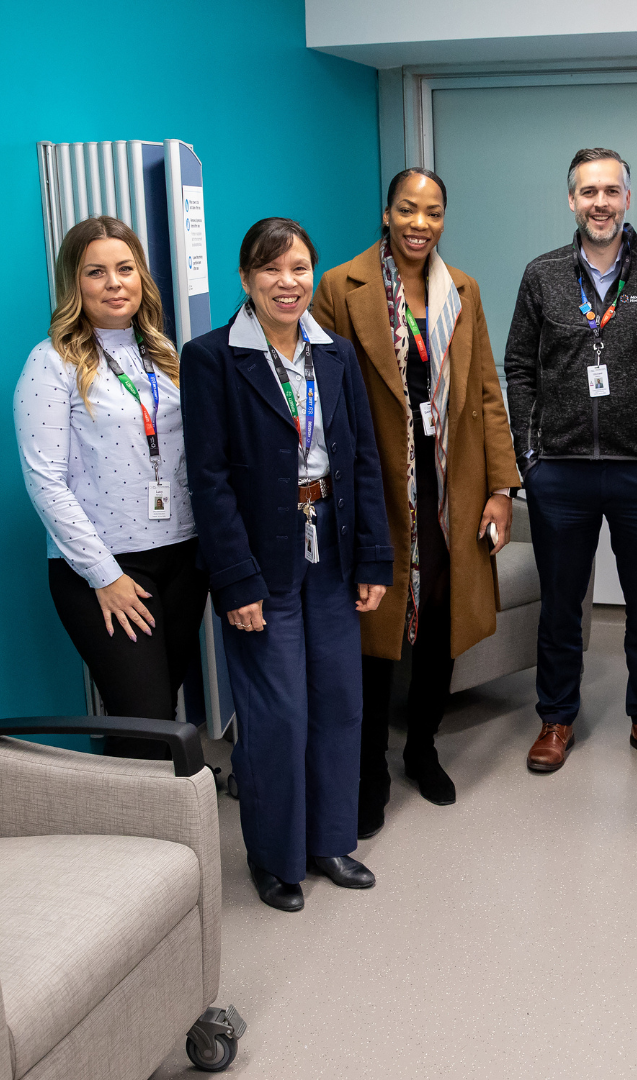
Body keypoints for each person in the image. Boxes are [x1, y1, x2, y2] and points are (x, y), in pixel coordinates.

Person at [183, 218, 392, 912]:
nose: (287, 282)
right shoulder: (212, 357)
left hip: (330, 547)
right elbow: (208, 480)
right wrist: (234, 578)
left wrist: (373, 556)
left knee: (338, 702)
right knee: (277, 714)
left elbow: (361, 459)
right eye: (271, 269)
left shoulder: (333, 357)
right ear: (246, 278)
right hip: (263, 558)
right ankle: (275, 858)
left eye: (299, 268)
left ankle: (330, 839)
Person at [314, 168, 518, 839]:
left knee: (439, 621)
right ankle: (369, 768)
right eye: (408, 209)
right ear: (386, 213)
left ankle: (421, 747)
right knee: (376, 627)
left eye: (432, 212)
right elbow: (318, 393)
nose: (419, 223)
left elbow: (486, 390)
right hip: (376, 485)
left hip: (448, 482)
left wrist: (498, 488)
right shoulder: (340, 289)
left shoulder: (462, 290)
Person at [503, 148, 637, 775]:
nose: (600, 202)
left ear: (627, 199)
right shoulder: (543, 275)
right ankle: (556, 717)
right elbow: (519, 367)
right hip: (560, 471)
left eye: (611, 191)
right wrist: (530, 454)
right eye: (588, 191)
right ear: (571, 200)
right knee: (560, 603)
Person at [15, 217, 207, 759]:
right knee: (144, 716)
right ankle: (139, 835)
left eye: (125, 269)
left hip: (182, 557)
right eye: (96, 272)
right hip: (106, 567)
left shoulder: (164, 355)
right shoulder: (52, 362)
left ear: (141, 277)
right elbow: (44, 480)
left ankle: (150, 825)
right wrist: (106, 576)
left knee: (157, 710)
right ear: (74, 284)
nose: (114, 282)